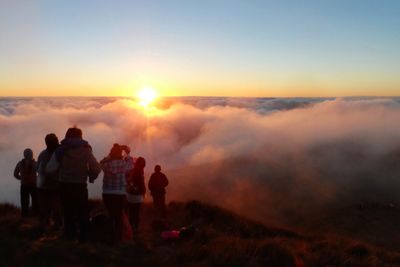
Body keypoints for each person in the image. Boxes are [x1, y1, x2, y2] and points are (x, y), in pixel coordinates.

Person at [47, 127, 101, 242]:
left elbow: (50, 169)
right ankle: (83, 237)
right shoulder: (86, 150)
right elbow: (96, 168)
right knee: (82, 212)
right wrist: (89, 174)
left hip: (64, 185)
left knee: (67, 212)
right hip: (80, 186)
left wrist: (59, 173)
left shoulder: (60, 150)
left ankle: (68, 235)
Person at [100, 143, 134, 242]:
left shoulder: (106, 164)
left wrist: (110, 155)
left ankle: (110, 236)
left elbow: (101, 162)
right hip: (120, 193)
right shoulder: (124, 164)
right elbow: (131, 164)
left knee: (110, 214)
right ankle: (119, 237)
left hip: (107, 192)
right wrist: (127, 152)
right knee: (119, 215)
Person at [36, 133, 62, 233]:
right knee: (56, 207)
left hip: (43, 186)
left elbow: (39, 169)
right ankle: (56, 227)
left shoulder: (42, 154)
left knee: (45, 208)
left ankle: (43, 226)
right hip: (54, 185)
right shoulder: (60, 153)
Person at [13, 148, 37, 217]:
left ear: (24, 155)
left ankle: (24, 215)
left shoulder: (20, 164)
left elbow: (15, 174)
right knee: (35, 201)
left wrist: (21, 178)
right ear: (32, 154)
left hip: (24, 185)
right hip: (33, 185)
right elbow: (41, 173)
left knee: (24, 202)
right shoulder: (35, 163)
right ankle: (35, 215)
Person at [126, 156, 146, 230]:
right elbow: (141, 184)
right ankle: (135, 227)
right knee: (136, 212)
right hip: (137, 195)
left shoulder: (133, 170)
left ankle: (131, 227)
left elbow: (129, 180)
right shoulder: (140, 172)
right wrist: (143, 191)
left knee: (131, 211)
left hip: (131, 194)